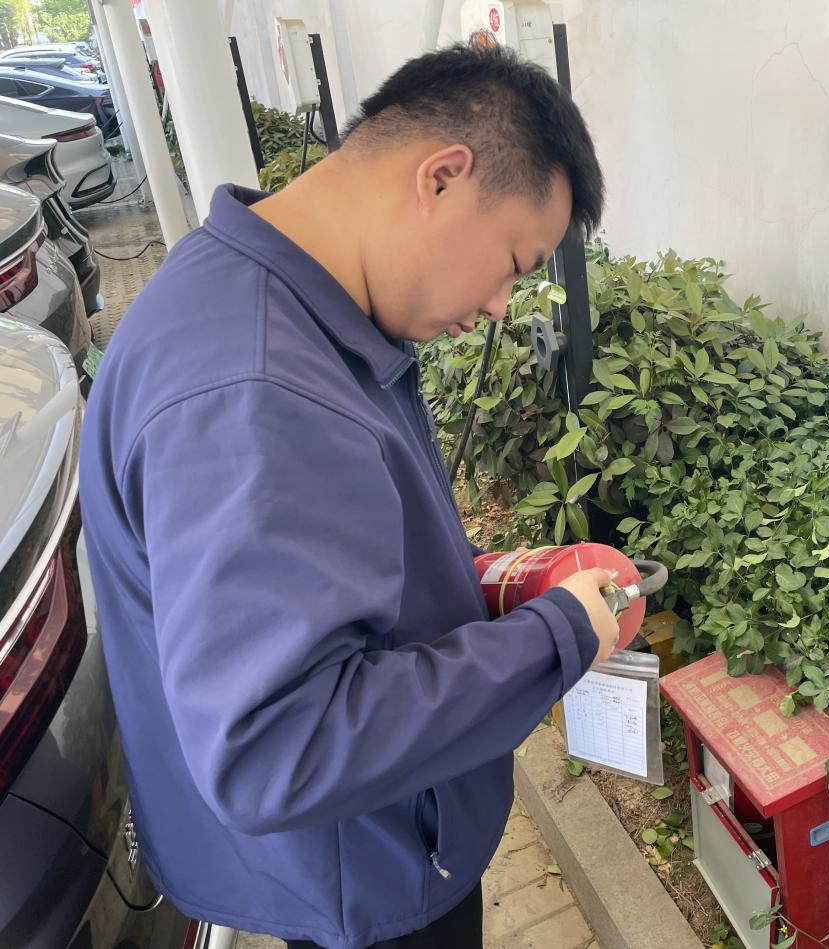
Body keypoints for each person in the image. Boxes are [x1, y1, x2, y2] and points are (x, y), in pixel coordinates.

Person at [79, 43, 614, 949]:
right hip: (365, 882)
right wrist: (556, 638)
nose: (499, 305)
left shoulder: (283, 302)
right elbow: (280, 746)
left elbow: (328, 562)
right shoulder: (254, 388)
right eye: (513, 262)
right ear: (441, 177)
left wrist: (488, 581)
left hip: (357, 854)